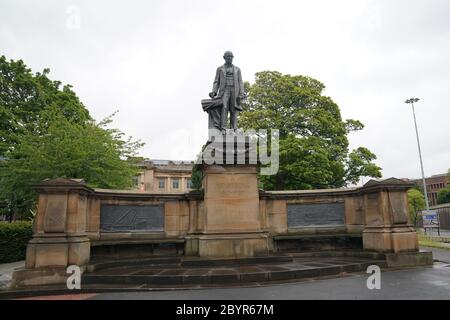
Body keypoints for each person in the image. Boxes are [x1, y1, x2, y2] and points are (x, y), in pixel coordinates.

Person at [209, 51, 245, 133]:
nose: (230, 58)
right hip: (224, 90)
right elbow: (216, 81)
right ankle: (223, 128)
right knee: (224, 107)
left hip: (235, 90)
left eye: (231, 56)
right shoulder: (220, 69)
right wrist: (214, 91)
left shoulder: (237, 69)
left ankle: (234, 128)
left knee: (233, 109)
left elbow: (240, 82)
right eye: (228, 56)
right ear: (224, 57)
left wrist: (241, 93)